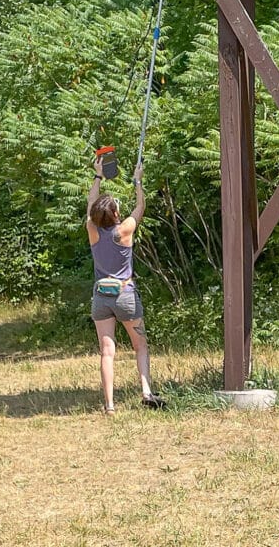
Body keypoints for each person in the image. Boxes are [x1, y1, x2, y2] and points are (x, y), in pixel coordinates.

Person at [87, 156, 166, 412]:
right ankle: (146, 391)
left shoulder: (92, 229)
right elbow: (140, 207)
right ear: (116, 214)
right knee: (140, 344)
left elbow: (90, 206)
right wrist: (138, 181)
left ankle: (109, 405)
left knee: (107, 351)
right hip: (126, 295)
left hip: (101, 296)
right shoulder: (125, 230)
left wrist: (98, 175)